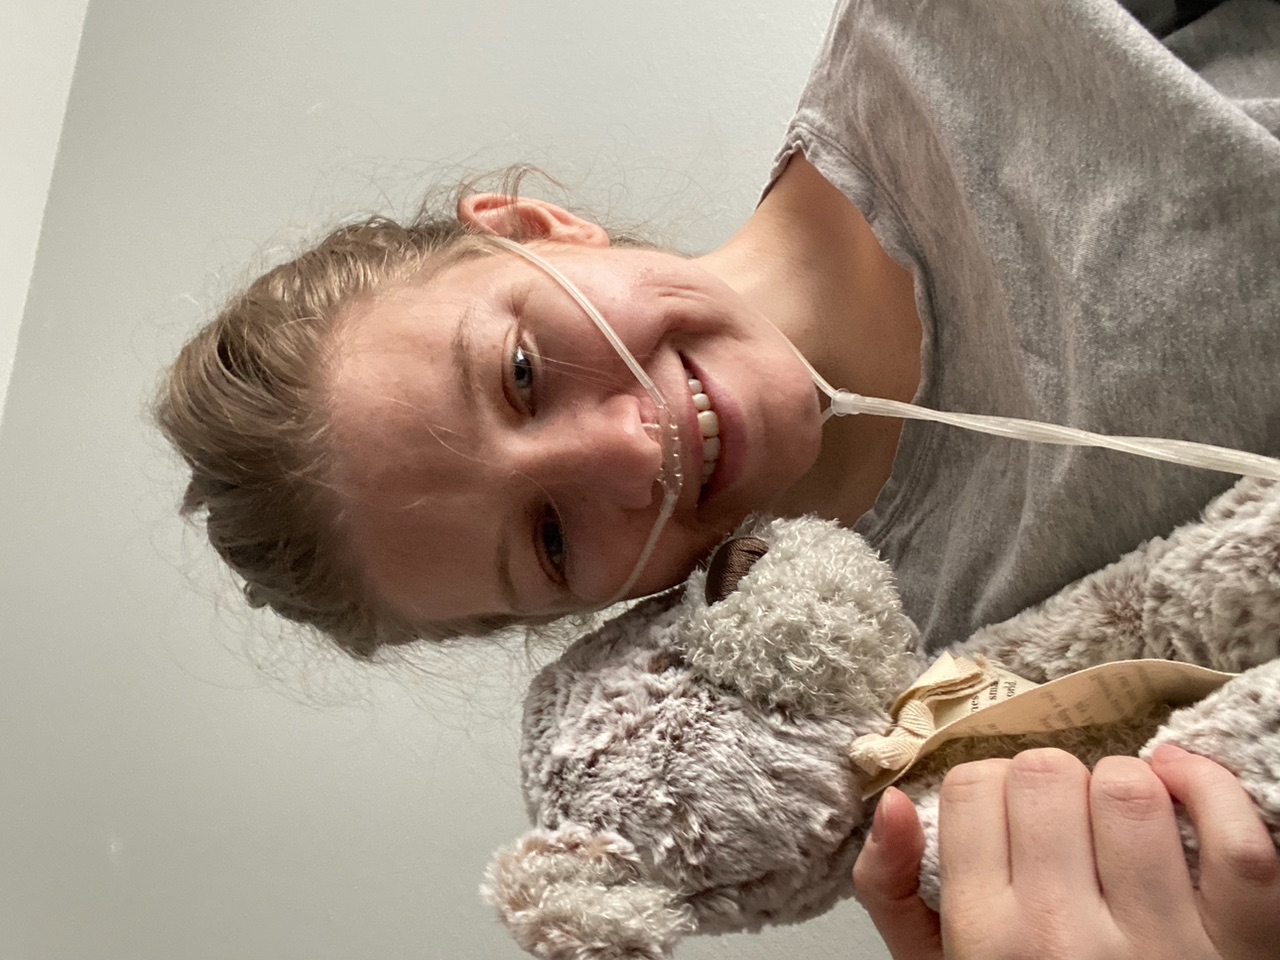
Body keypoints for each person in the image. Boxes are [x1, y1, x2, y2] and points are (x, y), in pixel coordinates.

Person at [155, 0, 1280, 955]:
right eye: (550, 539)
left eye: (520, 372)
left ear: (534, 227)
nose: (631, 452)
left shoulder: (962, 35)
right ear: (584, 614)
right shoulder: (909, 722)